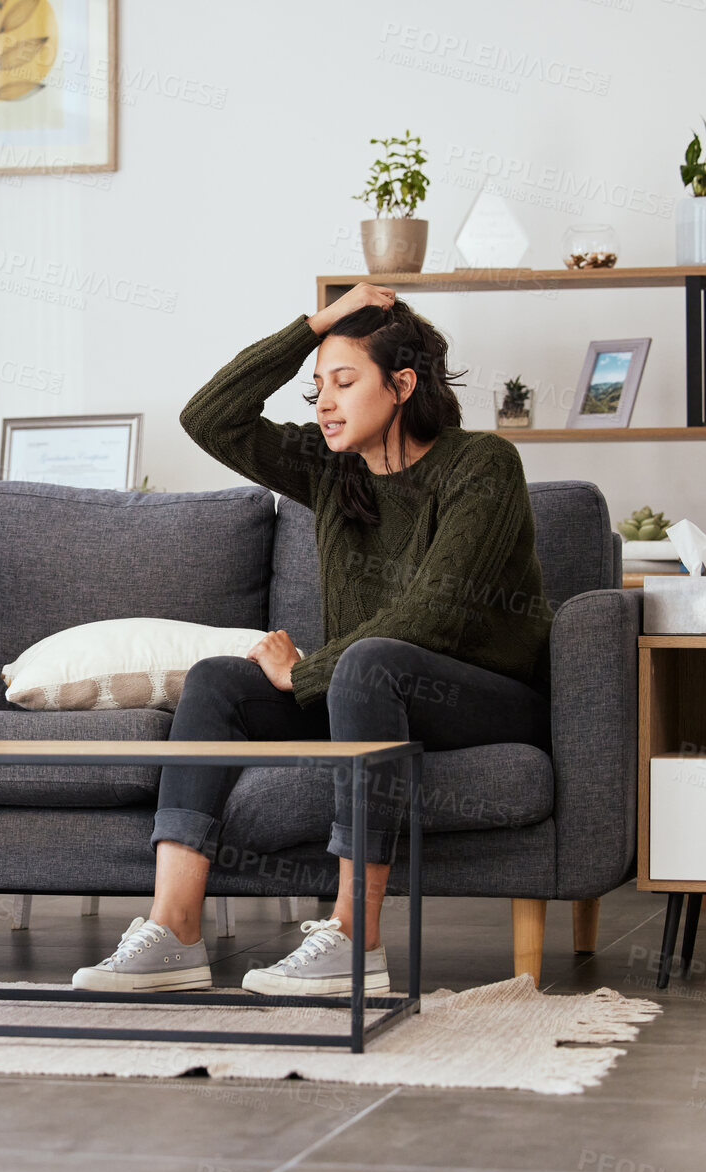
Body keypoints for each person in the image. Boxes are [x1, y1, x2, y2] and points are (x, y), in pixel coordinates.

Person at [73, 283, 552, 997]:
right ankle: (174, 930)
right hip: (366, 693)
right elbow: (208, 416)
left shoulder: (482, 465)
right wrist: (315, 326)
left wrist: (306, 672)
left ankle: (356, 937)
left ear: (402, 384)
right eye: (317, 386)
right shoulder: (333, 470)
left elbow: (436, 613)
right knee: (216, 680)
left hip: (480, 698)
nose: (324, 401)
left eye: (345, 381)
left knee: (366, 662)